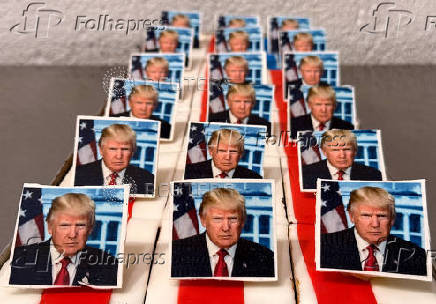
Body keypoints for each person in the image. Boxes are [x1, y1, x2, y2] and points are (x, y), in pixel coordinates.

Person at [10, 193, 119, 286]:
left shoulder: (109, 265)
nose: (72, 234)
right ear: (50, 227)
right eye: (65, 225)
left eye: (80, 225)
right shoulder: (19, 259)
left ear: (90, 229)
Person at [321, 186, 427, 276]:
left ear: (392, 219)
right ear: (352, 217)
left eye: (381, 216)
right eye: (366, 215)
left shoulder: (416, 255)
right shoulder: (324, 246)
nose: (375, 224)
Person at [172, 188, 275, 277]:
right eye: (218, 219)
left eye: (233, 219)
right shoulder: (176, 253)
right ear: (203, 220)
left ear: (243, 221)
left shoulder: (266, 258)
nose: (226, 228)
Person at [74, 124, 154, 195]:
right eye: (112, 149)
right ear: (101, 150)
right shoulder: (78, 175)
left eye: (125, 149)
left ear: (132, 152)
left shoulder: (147, 179)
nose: (119, 156)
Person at [302, 130, 382, 189]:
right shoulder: (306, 174)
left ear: (355, 151)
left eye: (347, 149)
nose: (342, 155)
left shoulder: (373, 175)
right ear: (324, 152)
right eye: (335, 150)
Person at [184, 129, 262, 179]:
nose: (227, 157)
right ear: (211, 151)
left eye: (233, 151)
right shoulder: (188, 172)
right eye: (222, 151)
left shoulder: (254, 178)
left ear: (241, 154)